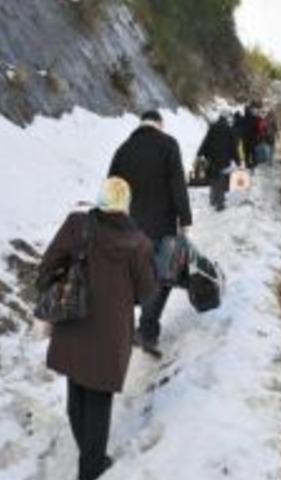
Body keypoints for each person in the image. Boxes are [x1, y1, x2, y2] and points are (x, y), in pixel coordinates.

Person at [38, 178, 157, 480]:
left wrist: (61, 284)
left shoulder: (78, 226)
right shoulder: (139, 244)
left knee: (76, 401)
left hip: (74, 321)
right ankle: (92, 468)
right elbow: (146, 293)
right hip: (111, 334)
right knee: (98, 404)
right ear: (126, 205)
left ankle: (91, 463)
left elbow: (47, 267)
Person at [107, 110, 192, 358]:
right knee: (163, 277)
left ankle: (129, 330)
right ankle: (147, 330)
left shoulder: (123, 149)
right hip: (160, 227)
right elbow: (178, 183)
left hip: (127, 227)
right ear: (160, 124)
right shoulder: (168, 144)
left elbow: (112, 187)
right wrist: (185, 219)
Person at [198, 111, 242, 211]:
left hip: (212, 158)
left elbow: (206, 141)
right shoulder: (229, 129)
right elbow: (233, 146)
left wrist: (200, 153)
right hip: (224, 158)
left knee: (214, 178)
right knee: (221, 180)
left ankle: (213, 199)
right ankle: (220, 203)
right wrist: (238, 160)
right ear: (226, 119)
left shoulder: (213, 127)